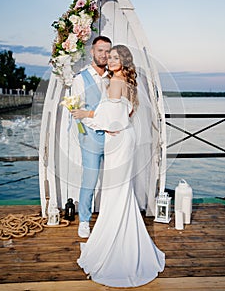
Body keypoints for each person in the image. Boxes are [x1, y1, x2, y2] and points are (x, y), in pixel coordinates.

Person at [71, 45, 165, 288]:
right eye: (108, 56)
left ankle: (115, 245)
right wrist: (111, 121)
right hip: (125, 137)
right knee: (121, 190)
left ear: (123, 61)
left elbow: (110, 117)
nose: (110, 60)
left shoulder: (115, 81)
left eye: (115, 57)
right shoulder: (126, 80)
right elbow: (129, 111)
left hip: (118, 139)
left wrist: (85, 115)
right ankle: (125, 238)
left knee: (116, 191)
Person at [71, 35, 112, 238]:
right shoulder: (81, 79)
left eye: (107, 51)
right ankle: (84, 221)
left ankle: (111, 218)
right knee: (90, 180)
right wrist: (101, 124)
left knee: (115, 179)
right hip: (91, 137)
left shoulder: (114, 77)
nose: (104, 55)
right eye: (100, 50)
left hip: (114, 138)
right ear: (92, 52)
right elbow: (78, 112)